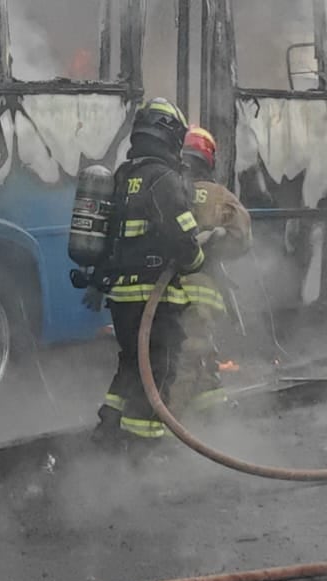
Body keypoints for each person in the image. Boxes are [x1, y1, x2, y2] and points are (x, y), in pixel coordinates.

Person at [90, 97, 205, 446]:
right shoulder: (163, 179)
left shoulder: (123, 176)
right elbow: (184, 241)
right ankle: (142, 450)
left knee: (131, 365)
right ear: (169, 135)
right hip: (153, 296)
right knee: (157, 370)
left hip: (121, 298)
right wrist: (198, 260)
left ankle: (108, 432)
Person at [173, 126, 252, 415]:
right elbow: (242, 240)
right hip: (201, 290)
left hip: (161, 288)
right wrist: (217, 243)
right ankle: (172, 424)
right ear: (209, 160)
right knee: (191, 355)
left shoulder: (167, 188)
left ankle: (211, 416)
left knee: (195, 355)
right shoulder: (219, 196)